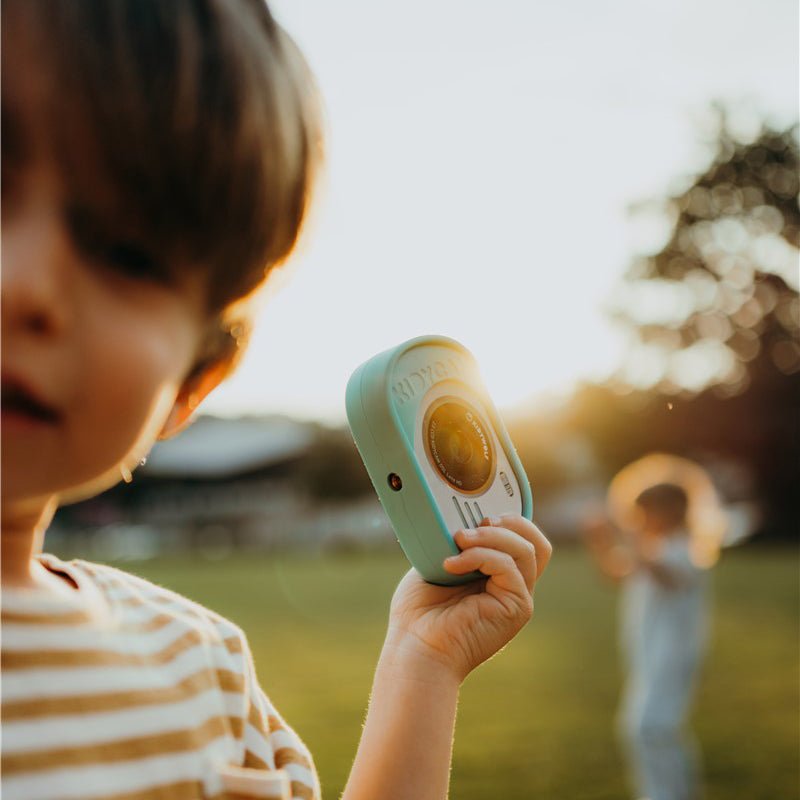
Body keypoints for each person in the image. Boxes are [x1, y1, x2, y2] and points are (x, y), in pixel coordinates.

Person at [1, 2, 552, 799]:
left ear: (190, 386)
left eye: (125, 253)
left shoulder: (203, 665)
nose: (26, 286)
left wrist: (422, 665)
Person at [585, 454, 726, 800]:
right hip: (647, 652)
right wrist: (601, 542)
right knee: (645, 728)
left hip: (672, 655)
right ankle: (665, 792)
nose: (639, 520)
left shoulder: (687, 551)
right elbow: (616, 574)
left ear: (671, 512)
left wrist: (627, 535)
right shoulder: (654, 549)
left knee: (651, 727)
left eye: (645, 512)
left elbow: (664, 573)